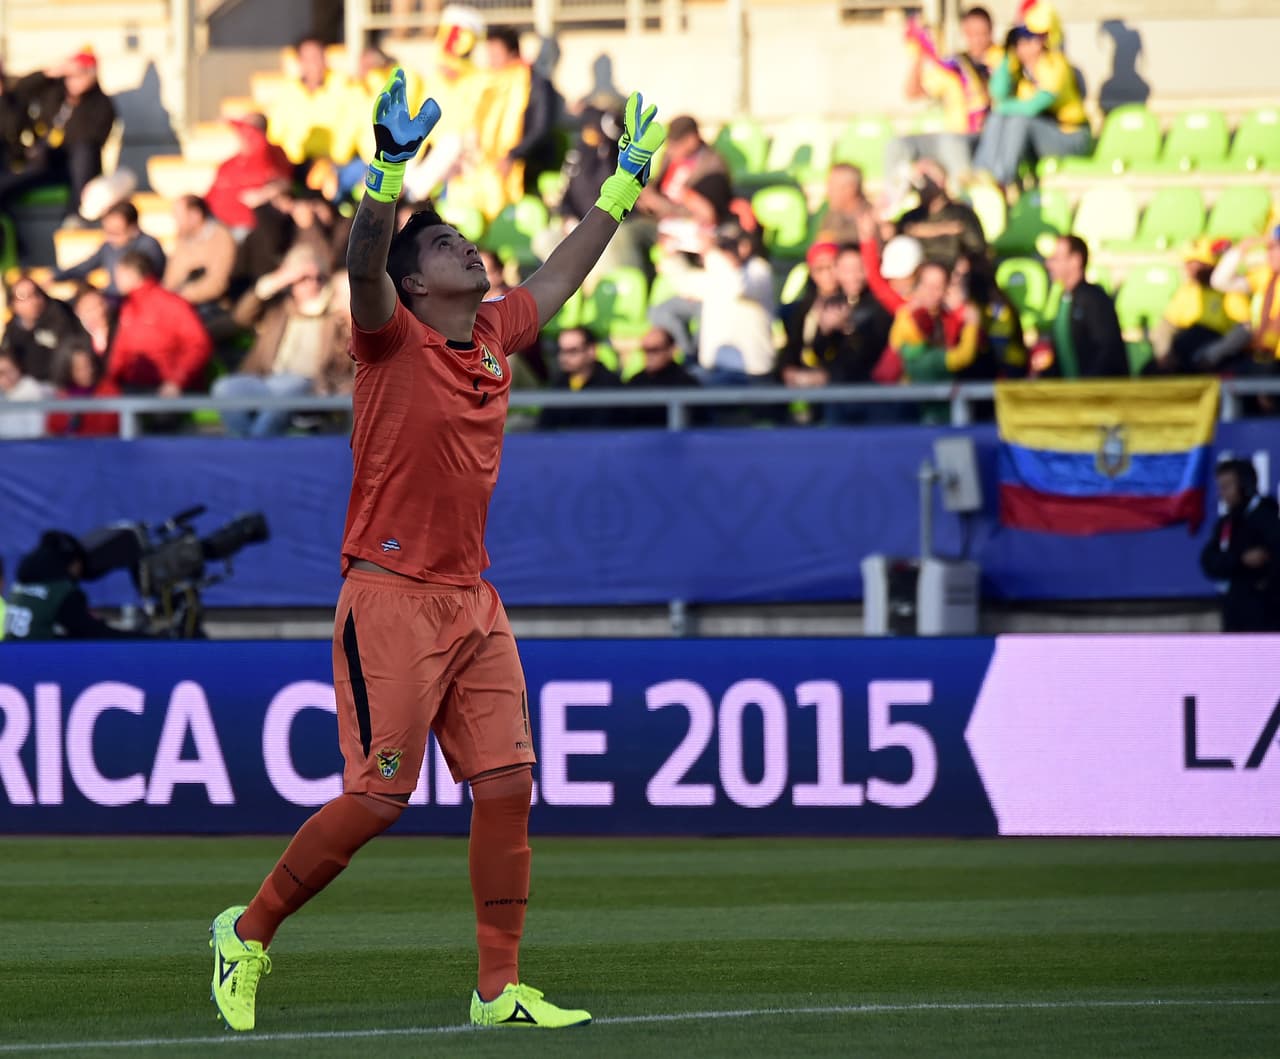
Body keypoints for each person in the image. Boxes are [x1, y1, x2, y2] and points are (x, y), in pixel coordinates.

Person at [207, 71, 666, 1032]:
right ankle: (245, 932)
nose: (470, 249)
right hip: (389, 595)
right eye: (449, 246)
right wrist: (385, 170)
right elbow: (364, 262)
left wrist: (618, 189)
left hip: (471, 600)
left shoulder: (495, 332)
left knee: (508, 785)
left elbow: (564, 272)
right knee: (379, 796)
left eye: (464, 239)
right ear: (421, 284)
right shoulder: (388, 336)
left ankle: (496, 991)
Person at [212, 246, 353, 437]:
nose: (312, 284)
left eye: (318, 278)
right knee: (224, 389)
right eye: (303, 279)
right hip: (265, 379)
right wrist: (280, 279)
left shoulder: (334, 316)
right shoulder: (278, 309)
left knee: (285, 389)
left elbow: (348, 359)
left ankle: (254, 449)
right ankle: (246, 442)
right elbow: (240, 317)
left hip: (307, 384)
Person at [886, 7, 1003, 198]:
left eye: (983, 33)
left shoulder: (1002, 61)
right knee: (898, 145)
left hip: (983, 138)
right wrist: (919, 54)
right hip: (951, 136)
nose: (978, 40)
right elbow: (912, 92)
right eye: (972, 34)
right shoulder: (956, 66)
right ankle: (891, 202)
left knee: (952, 143)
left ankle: (964, 203)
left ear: (992, 32)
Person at [0, 49, 116, 223]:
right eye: (70, 75)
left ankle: (75, 217)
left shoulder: (101, 105)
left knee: (83, 152)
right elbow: (21, 91)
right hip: (46, 163)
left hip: (75, 169)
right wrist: (51, 72)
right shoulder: (54, 94)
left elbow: (90, 141)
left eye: (80, 75)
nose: (73, 80)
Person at [971, 19, 1090, 188]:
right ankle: (981, 174)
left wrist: (1002, 107)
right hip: (1042, 135)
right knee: (997, 117)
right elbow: (997, 94)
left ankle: (1002, 180)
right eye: (1017, 42)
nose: (1023, 46)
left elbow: (1032, 107)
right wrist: (1006, 55)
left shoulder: (1055, 64)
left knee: (1019, 120)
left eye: (1028, 39)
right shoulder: (1022, 71)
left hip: (1072, 137)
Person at [106, 251, 213, 397]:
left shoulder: (169, 303)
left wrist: (177, 381)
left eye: (119, 274)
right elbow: (121, 350)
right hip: (133, 386)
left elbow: (198, 344)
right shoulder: (128, 306)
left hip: (165, 390)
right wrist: (109, 381)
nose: (115, 280)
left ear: (133, 273)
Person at [3, 530, 135, 640]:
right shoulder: (60, 591)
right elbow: (91, 633)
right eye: (79, 563)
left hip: (10, 657)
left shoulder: (20, 586)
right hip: (37, 661)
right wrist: (143, 637)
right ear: (73, 564)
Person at [1200, 458, 1280, 632]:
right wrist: (1240, 560)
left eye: (1227, 486)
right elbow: (1209, 560)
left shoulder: (1268, 518)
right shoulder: (1226, 522)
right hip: (1234, 615)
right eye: (1220, 487)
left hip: (1266, 616)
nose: (1222, 494)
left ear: (1245, 485)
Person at [1037, 235, 1127, 378]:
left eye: (1055, 259)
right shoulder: (1065, 299)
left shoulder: (1095, 299)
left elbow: (1107, 351)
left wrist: (1087, 387)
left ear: (1075, 260)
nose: (1048, 264)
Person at [1149, 238, 1242, 374]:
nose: (1190, 269)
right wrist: (1164, 354)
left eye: (1196, 264)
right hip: (1185, 344)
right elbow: (1166, 325)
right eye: (1188, 264)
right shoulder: (1188, 290)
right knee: (1151, 371)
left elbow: (1242, 330)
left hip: (1214, 349)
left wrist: (1213, 354)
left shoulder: (1230, 290)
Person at [54, 200, 167, 298]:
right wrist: (56, 276)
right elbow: (85, 267)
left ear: (133, 228)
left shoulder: (148, 246)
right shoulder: (108, 246)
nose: (110, 237)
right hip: (112, 299)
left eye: (116, 232)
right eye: (107, 231)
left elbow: (148, 284)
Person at [204, 113, 293, 235]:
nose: (243, 134)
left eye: (249, 129)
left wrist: (263, 194)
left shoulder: (272, 154)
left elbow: (284, 183)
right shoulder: (229, 163)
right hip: (216, 221)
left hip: (245, 224)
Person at [895, 158, 988, 268]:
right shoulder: (910, 218)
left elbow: (977, 250)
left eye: (925, 176)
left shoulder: (962, 214)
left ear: (941, 181)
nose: (920, 181)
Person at [0, 273, 87, 383]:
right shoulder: (12, 329)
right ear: (13, 304)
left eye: (36, 293)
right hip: (25, 388)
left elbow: (72, 351)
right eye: (24, 297)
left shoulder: (60, 315)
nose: (33, 301)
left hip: (61, 387)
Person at [536, 325, 623, 430]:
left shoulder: (610, 385)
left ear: (591, 351)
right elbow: (544, 426)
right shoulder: (558, 384)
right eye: (561, 350)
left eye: (572, 351)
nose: (564, 357)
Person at [163, 195, 237, 312]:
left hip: (212, 305)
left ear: (195, 215)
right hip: (181, 301)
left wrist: (181, 297)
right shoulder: (182, 238)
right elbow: (171, 278)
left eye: (178, 216)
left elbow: (217, 284)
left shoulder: (220, 237)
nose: (175, 221)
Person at [623, 325, 700, 427]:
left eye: (655, 350)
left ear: (671, 350)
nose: (649, 356)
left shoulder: (686, 384)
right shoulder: (635, 382)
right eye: (645, 350)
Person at [45, 342, 121, 437]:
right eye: (79, 368)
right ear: (68, 370)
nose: (86, 372)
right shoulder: (62, 397)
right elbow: (53, 431)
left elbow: (111, 428)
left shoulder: (108, 391)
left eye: (88, 365)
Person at [815, 163, 872, 245]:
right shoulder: (832, 214)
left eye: (833, 186)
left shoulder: (871, 216)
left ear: (850, 189)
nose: (828, 192)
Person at [0, 348, 51, 438]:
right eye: (1, 373)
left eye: (10, 370)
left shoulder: (31, 391)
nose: (7, 377)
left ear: (18, 368)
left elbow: (35, 431)